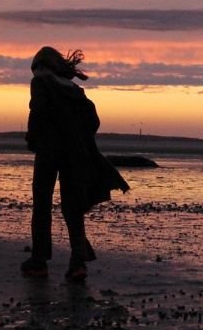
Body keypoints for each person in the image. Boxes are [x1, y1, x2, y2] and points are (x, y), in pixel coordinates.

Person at [21, 47, 129, 281]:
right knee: (72, 207)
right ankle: (77, 263)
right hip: (76, 152)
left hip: (49, 149)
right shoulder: (75, 90)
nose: (35, 72)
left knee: (42, 203)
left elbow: (37, 111)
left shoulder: (40, 83)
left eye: (36, 68)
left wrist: (32, 139)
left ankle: (39, 261)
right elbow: (93, 121)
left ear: (42, 66)